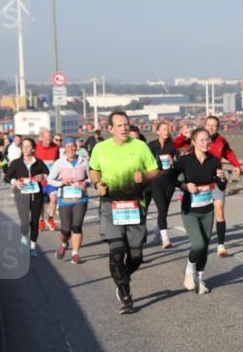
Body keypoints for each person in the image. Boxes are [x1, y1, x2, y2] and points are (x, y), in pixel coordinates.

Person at [89, 111, 160, 314]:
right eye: (119, 125)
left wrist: (145, 175)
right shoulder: (101, 148)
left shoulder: (140, 146)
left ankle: (122, 277)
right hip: (110, 205)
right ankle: (126, 296)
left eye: (126, 124)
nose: (124, 128)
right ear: (110, 129)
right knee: (117, 251)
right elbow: (93, 169)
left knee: (136, 256)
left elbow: (156, 170)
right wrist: (97, 183)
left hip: (135, 205)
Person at [174, 115, 242, 256]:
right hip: (197, 182)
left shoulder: (221, 141)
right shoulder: (198, 139)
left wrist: (237, 166)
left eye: (214, 126)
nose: (211, 128)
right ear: (205, 125)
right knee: (202, 214)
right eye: (209, 125)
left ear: (218, 127)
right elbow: (176, 146)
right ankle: (199, 238)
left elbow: (229, 154)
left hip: (215, 180)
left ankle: (221, 245)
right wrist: (181, 136)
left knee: (219, 211)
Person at [172, 128, 228, 293]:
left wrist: (222, 179)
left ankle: (200, 279)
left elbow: (221, 186)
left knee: (205, 247)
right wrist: (184, 186)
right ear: (194, 142)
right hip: (190, 209)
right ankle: (189, 270)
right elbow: (170, 178)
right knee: (198, 245)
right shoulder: (185, 161)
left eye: (208, 140)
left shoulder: (214, 160)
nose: (206, 143)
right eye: (202, 140)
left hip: (207, 210)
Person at [48, 137, 92, 264]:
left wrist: (85, 183)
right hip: (65, 199)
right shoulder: (59, 163)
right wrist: (61, 182)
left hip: (81, 198)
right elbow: (51, 179)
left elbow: (91, 178)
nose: (71, 149)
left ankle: (75, 253)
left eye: (73, 146)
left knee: (77, 226)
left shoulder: (83, 162)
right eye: (68, 147)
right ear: (64, 149)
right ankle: (64, 243)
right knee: (66, 230)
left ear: (76, 147)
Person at [4, 136, 49, 258]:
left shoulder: (38, 162)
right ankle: (24, 242)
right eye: (23, 146)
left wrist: (43, 177)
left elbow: (48, 174)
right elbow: (7, 177)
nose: (25, 148)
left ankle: (33, 247)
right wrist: (15, 182)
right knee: (25, 221)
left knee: (35, 222)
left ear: (33, 149)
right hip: (22, 196)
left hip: (37, 196)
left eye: (28, 146)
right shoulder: (16, 163)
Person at [147, 121, 179, 249]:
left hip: (169, 181)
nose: (166, 132)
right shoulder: (151, 145)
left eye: (168, 129)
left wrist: (173, 161)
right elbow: (146, 161)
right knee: (161, 208)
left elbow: (179, 163)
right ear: (158, 131)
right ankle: (166, 240)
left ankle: (157, 233)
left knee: (164, 209)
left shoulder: (173, 145)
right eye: (164, 129)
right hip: (156, 181)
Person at [36, 128, 61, 232]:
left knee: (54, 199)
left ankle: (50, 219)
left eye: (50, 139)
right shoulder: (36, 147)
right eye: (46, 139)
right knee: (40, 202)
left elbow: (58, 161)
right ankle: (41, 220)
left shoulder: (55, 147)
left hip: (51, 179)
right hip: (40, 180)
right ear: (41, 137)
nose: (48, 141)